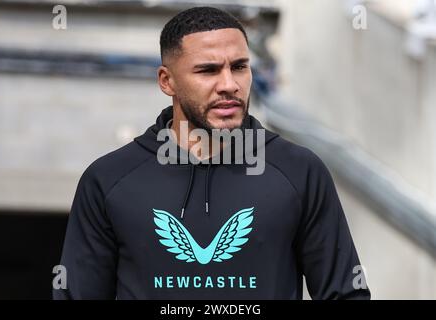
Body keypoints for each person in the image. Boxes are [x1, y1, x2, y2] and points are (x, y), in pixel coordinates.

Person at [54, 6, 370, 300]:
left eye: (239, 67)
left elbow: (345, 294)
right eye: (208, 71)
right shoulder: (108, 180)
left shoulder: (299, 172)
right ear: (167, 81)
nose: (229, 84)